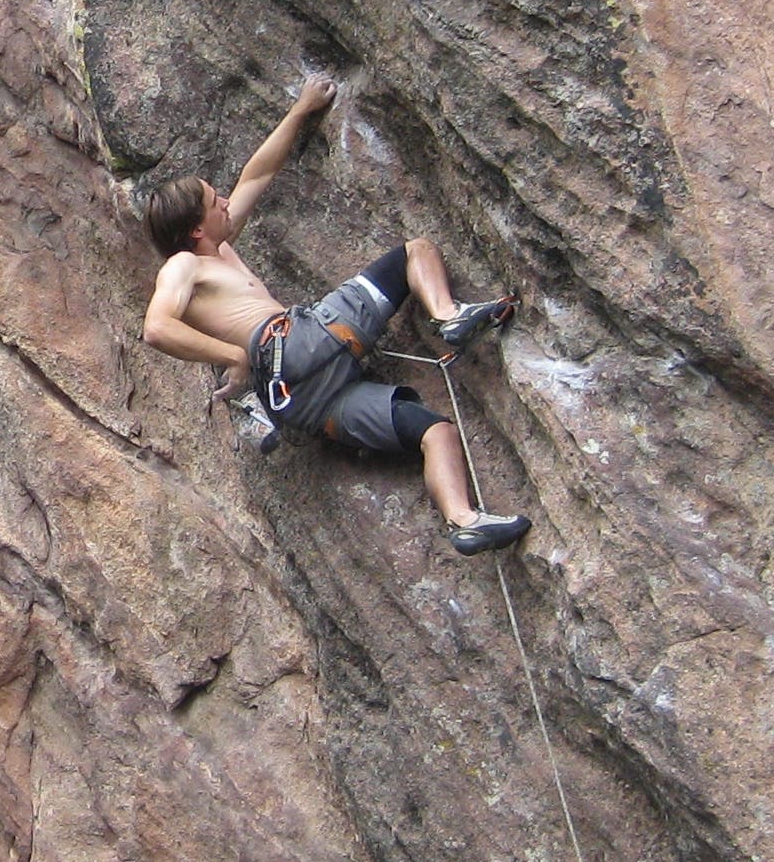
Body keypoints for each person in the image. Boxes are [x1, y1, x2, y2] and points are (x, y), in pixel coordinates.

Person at [135, 74, 531, 555]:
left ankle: (463, 520)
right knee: (415, 252)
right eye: (213, 199)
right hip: (295, 342)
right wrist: (233, 356)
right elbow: (156, 327)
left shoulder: (217, 250)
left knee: (434, 430)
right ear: (197, 229)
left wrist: (301, 109)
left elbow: (256, 175)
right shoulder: (184, 265)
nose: (223, 199)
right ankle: (448, 316)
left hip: (304, 403)